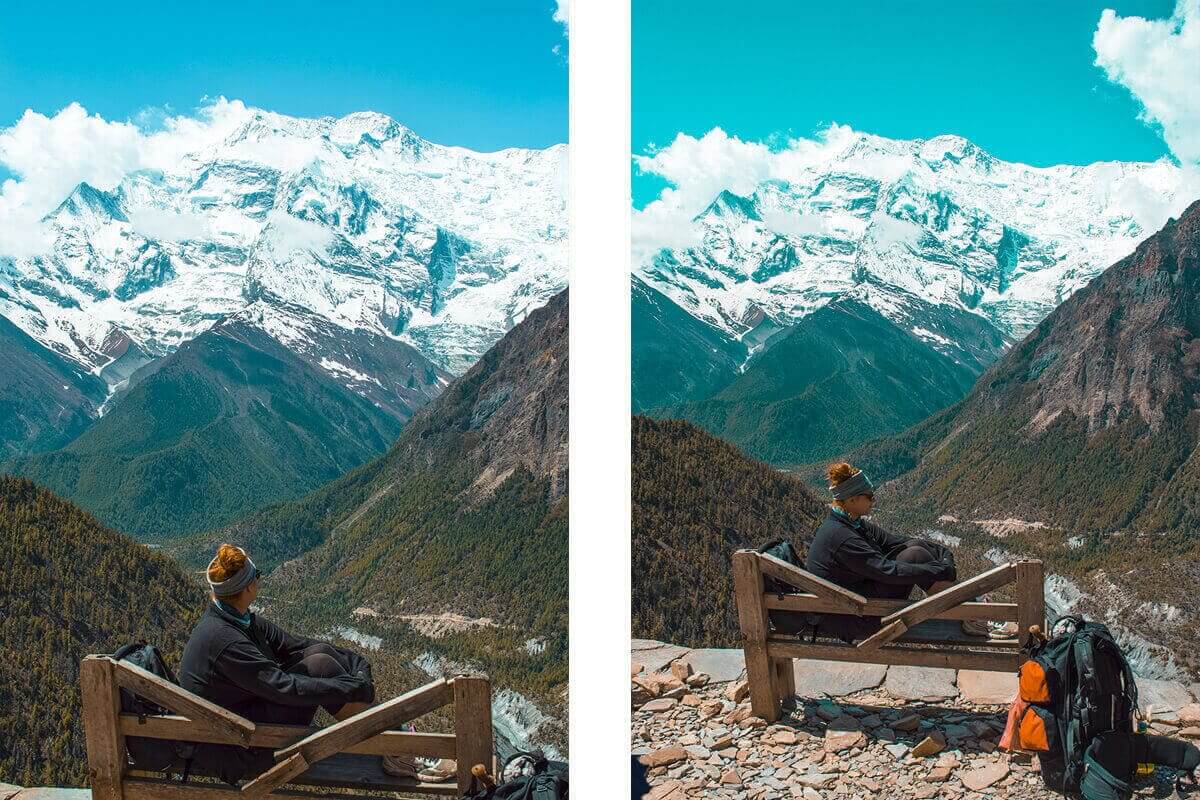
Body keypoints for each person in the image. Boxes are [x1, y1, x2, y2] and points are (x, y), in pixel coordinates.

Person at [180, 544, 454, 782]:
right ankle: (400, 750)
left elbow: (297, 645)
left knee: (320, 654)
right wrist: (350, 688)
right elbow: (284, 688)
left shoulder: (235, 619)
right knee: (319, 666)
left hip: (242, 727)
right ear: (250, 586)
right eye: (258, 576)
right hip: (240, 748)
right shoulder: (226, 640)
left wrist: (357, 663)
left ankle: (398, 743)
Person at [805, 463, 1014, 641]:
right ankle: (974, 616)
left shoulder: (851, 524)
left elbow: (897, 541)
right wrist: (938, 570)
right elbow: (888, 571)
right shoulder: (842, 537)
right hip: (856, 618)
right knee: (914, 555)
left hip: (859, 603)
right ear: (851, 500)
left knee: (914, 548)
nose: (873, 500)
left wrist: (943, 552)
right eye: (868, 496)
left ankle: (973, 610)